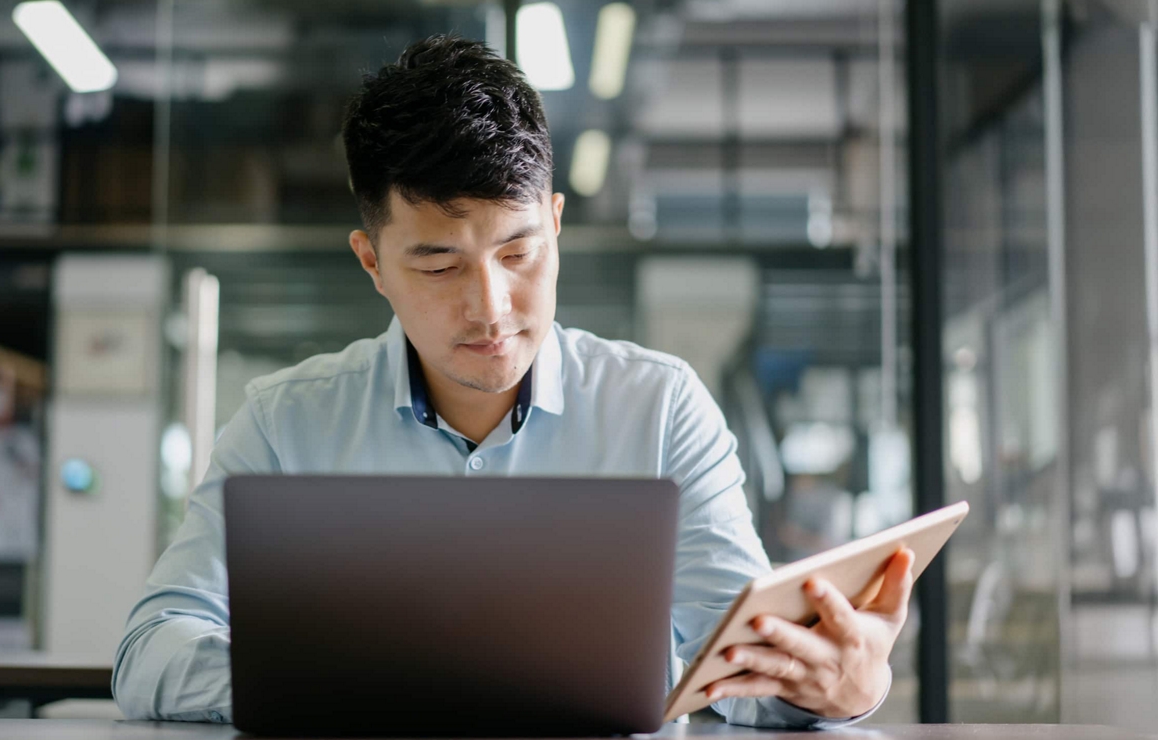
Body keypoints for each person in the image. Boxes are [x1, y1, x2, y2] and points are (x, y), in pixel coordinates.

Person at [111, 34, 913, 730]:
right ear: (372, 262)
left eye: (520, 253)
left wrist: (845, 685)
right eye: (437, 262)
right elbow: (151, 650)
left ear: (556, 223)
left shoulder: (660, 410)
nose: (491, 308)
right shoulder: (287, 426)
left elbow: (743, 668)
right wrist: (347, 684)